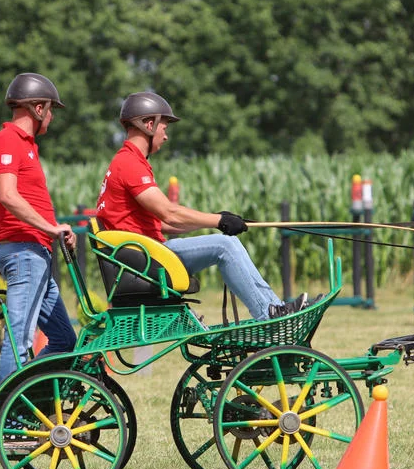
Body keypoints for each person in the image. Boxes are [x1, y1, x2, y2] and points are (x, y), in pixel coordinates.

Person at [95, 91, 308, 320]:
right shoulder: (129, 163)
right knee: (225, 245)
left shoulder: (127, 161)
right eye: (164, 128)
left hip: (145, 256)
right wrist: (219, 221)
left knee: (224, 241)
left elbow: (165, 223)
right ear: (149, 125)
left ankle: (274, 308)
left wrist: (217, 219)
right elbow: (169, 213)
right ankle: (270, 314)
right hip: (148, 259)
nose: (165, 137)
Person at [0, 73, 77, 381]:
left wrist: (55, 228)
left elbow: (29, 199)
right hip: (23, 251)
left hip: (36, 252)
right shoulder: (7, 141)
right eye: (50, 109)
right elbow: (8, 195)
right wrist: (50, 229)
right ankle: (9, 420)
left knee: (65, 341)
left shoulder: (27, 146)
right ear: (38, 108)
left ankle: (29, 397)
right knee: (20, 339)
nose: (52, 116)